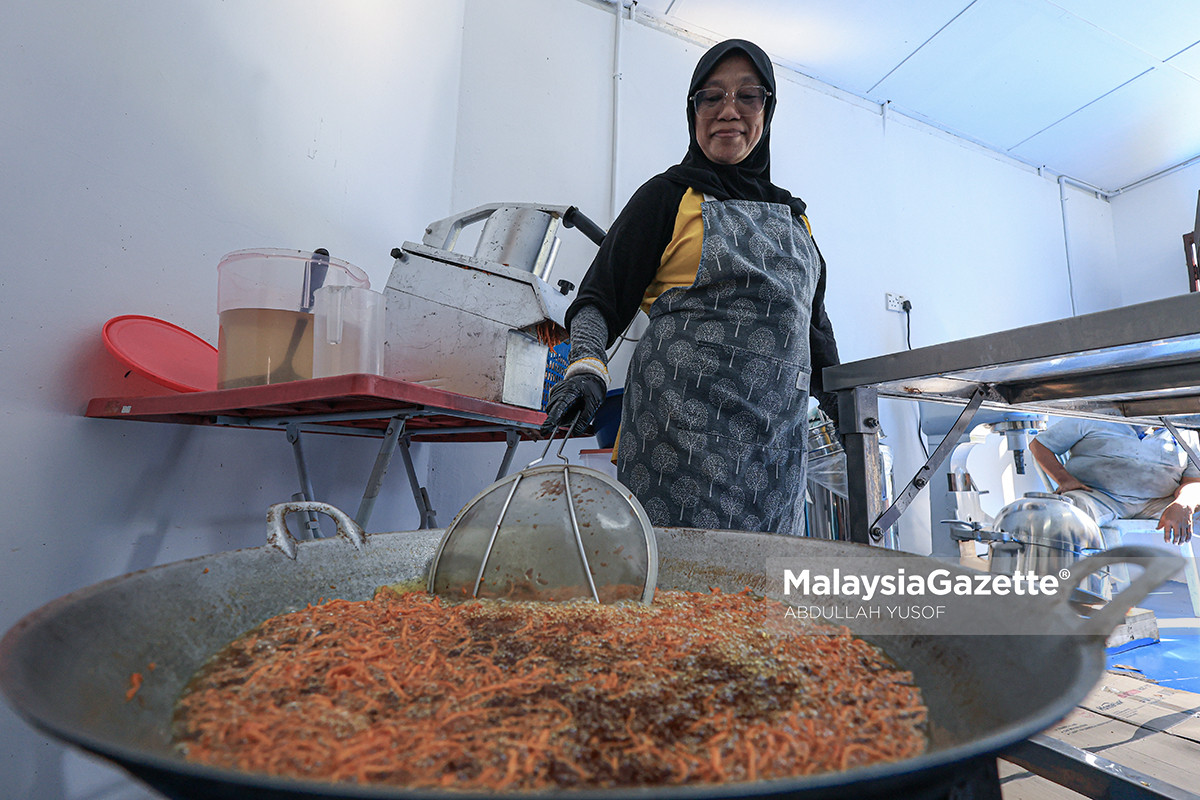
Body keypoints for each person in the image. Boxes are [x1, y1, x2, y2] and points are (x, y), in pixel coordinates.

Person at [541, 39, 840, 535]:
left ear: (767, 110)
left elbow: (817, 338)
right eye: (711, 97)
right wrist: (587, 367)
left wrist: (852, 425)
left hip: (775, 451)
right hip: (676, 438)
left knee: (760, 591)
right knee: (673, 591)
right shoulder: (666, 196)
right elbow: (599, 298)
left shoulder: (797, 218)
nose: (729, 111)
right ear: (693, 110)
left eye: (748, 96)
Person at [1030, 418, 1200, 545]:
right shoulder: (1092, 415)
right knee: (1067, 513)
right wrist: (1064, 479)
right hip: (1098, 497)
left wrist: (1184, 504)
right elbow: (1040, 445)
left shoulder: (1184, 429)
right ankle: (1071, 582)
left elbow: (1193, 481)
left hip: (1159, 503)